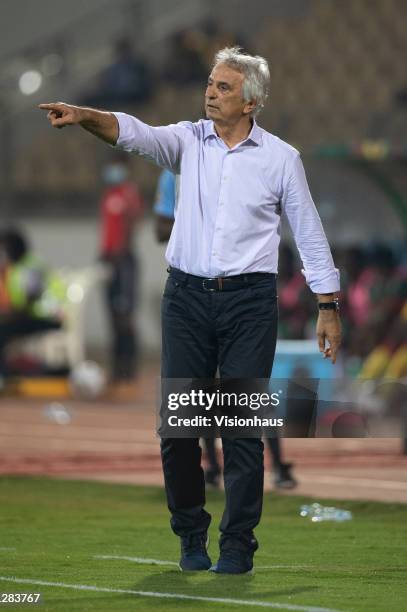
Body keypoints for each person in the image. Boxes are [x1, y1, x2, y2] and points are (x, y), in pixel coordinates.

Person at [39, 46, 342, 574]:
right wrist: (87, 116)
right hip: (185, 299)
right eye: (209, 83)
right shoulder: (186, 141)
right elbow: (133, 132)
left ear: (251, 101)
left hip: (249, 301)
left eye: (223, 87)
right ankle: (190, 534)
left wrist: (327, 304)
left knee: (241, 429)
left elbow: (310, 233)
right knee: (178, 427)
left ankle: (238, 545)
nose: (210, 92)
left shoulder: (281, 159)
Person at [153, 168, 298, 490]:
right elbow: (159, 228)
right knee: (199, 393)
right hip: (193, 289)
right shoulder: (177, 167)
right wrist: (197, 221)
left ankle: (278, 464)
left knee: (248, 394)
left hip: (246, 290)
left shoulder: (250, 164)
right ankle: (213, 467)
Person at [0, 228, 63, 392]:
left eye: (4, 247)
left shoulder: (31, 265)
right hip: (26, 315)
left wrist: (2, 315)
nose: (1, 252)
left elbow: (29, 300)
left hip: (46, 317)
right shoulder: (11, 267)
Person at [99, 153, 144, 380]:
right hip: (107, 258)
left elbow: (131, 224)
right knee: (112, 313)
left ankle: (128, 366)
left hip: (123, 260)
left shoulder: (129, 193)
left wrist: (120, 253)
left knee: (125, 313)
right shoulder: (109, 194)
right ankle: (117, 366)